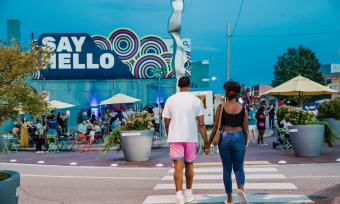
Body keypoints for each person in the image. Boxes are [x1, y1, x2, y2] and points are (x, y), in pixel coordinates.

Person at [162, 76, 209, 204]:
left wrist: (169, 133)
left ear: (178, 85)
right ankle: (188, 193)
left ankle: (179, 196)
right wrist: (206, 142)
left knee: (178, 165)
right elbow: (201, 124)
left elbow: (166, 121)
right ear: (189, 85)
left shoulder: (170, 100)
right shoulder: (196, 101)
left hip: (175, 136)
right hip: (190, 137)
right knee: (189, 164)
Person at [208, 81, 248, 204]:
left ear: (226, 93)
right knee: (239, 167)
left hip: (225, 137)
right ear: (237, 94)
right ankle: (240, 189)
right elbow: (245, 128)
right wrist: (244, 142)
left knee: (226, 168)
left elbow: (215, 127)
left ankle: (229, 199)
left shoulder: (221, 107)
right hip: (238, 137)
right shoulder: (242, 109)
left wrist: (208, 143)